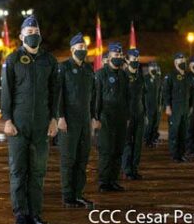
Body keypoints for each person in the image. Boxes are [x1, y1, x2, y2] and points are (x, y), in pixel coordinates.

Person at [0, 16, 59, 224]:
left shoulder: (49, 61)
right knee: (18, 170)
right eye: (29, 32)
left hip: (42, 124)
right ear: (21, 36)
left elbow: (55, 92)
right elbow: (6, 92)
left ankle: (35, 213)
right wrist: (6, 119)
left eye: (36, 31)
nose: (33, 35)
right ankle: (21, 213)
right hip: (18, 124)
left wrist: (54, 118)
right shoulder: (13, 59)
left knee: (38, 171)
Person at [57, 33, 96, 209]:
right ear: (72, 49)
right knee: (68, 159)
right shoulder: (63, 68)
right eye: (79, 48)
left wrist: (94, 116)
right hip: (68, 120)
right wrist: (60, 116)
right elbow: (58, 94)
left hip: (85, 120)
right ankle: (67, 196)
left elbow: (92, 95)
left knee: (82, 159)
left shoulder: (88, 69)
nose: (83, 50)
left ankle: (78, 194)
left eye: (84, 47)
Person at [95, 42, 130, 192]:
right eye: (116, 55)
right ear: (109, 57)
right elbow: (96, 98)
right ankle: (104, 181)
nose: (119, 58)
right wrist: (96, 117)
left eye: (120, 55)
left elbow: (127, 97)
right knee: (106, 150)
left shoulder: (123, 75)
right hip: (105, 116)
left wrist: (127, 116)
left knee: (118, 149)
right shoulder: (101, 74)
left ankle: (113, 180)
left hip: (121, 117)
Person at [163, 53, 194, 163]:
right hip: (174, 108)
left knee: (183, 132)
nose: (183, 63)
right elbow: (166, 92)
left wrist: (190, 106)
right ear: (175, 63)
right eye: (181, 61)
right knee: (174, 132)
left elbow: (191, 92)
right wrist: (167, 106)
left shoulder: (188, 76)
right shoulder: (170, 76)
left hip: (185, 108)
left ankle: (181, 154)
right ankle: (174, 154)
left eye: (184, 61)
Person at [122, 48, 146, 180]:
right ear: (127, 60)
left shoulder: (139, 76)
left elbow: (143, 96)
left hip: (139, 114)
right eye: (133, 59)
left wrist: (145, 114)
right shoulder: (123, 76)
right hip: (128, 115)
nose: (136, 62)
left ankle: (134, 168)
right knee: (127, 144)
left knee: (137, 144)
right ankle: (126, 170)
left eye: (137, 59)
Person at [143, 62, 163, 147]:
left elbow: (160, 93)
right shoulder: (145, 78)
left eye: (155, 67)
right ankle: (147, 140)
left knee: (156, 123)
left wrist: (160, 104)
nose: (153, 69)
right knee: (149, 123)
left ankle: (153, 139)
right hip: (148, 105)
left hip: (156, 105)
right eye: (152, 67)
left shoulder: (158, 78)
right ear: (149, 68)